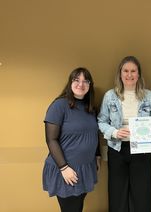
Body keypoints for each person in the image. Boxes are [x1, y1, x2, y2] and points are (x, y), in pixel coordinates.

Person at [98, 56, 151, 212]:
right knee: (117, 194)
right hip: (117, 150)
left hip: (142, 150)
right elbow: (101, 121)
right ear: (120, 74)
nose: (129, 74)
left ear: (138, 74)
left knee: (142, 195)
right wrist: (114, 132)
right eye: (125, 71)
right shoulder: (110, 96)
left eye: (133, 71)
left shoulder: (148, 96)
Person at [42, 67, 101, 212]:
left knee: (77, 207)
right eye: (76, 80)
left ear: (90, 85)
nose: (81, 84)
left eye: (85, 81)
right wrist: (64, 168)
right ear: (70, 83)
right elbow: (51, 140)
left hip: (86, 168)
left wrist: (97, 156)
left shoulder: (91, 108)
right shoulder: (59, 105)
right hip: (67, 170)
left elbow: (94, 134)